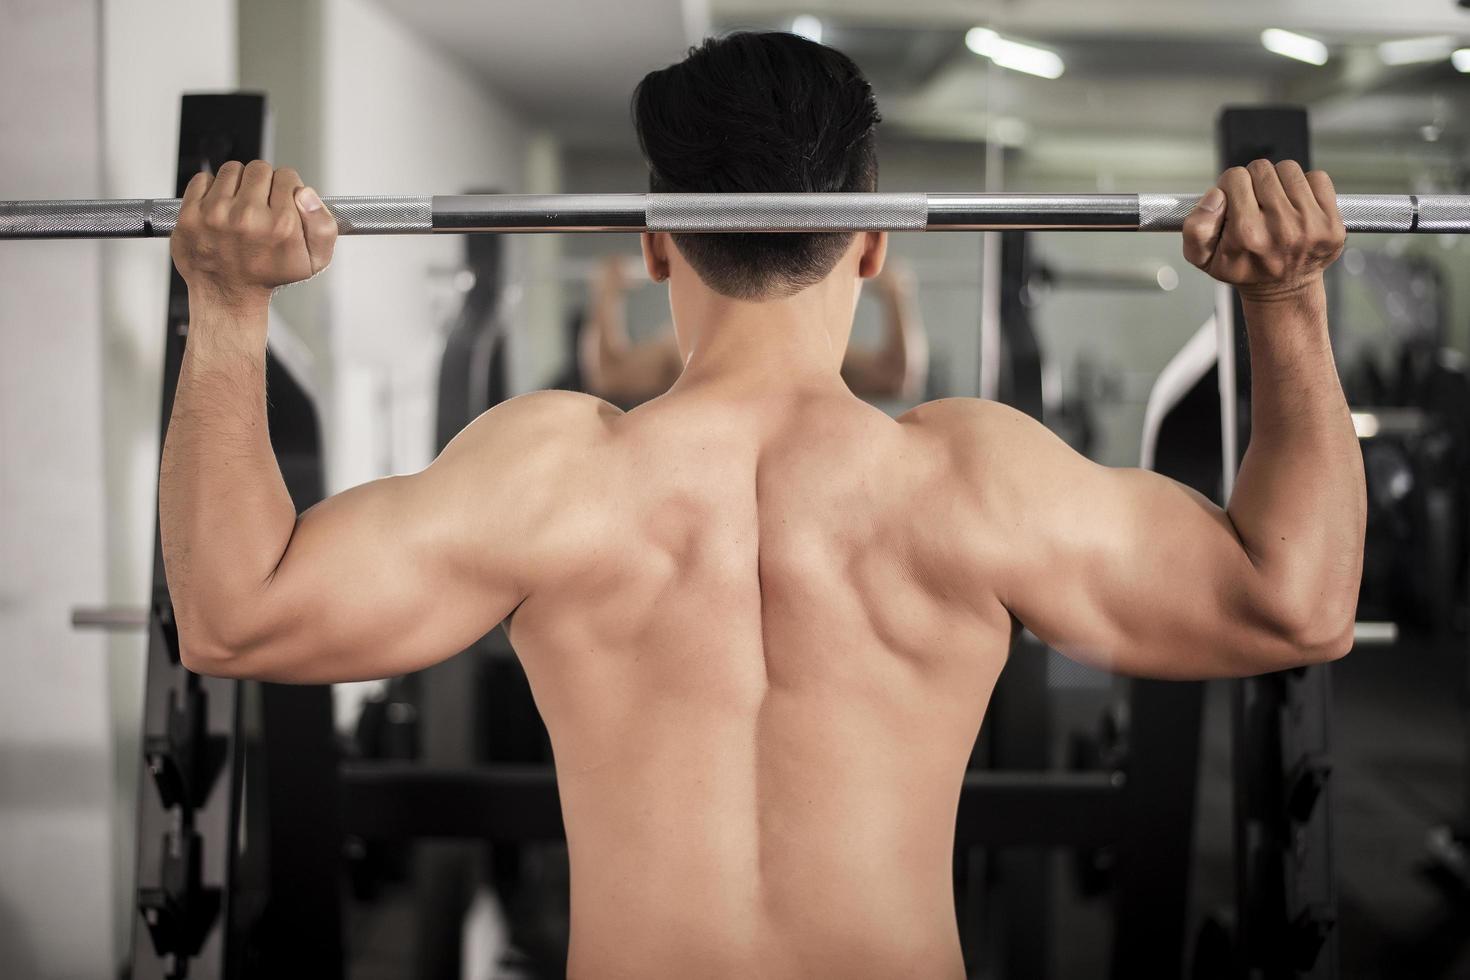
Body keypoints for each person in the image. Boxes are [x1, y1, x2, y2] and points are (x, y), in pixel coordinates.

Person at [160, 31, 1365, 980]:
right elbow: (1294, 604)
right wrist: (1290, 303)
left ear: (652, 241)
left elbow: (234, 617)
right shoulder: (972, 481)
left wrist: (227, 305)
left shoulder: (550, 476)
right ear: (875, 241)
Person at [579, 253, 927, 406]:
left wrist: (606, 296)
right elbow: (609, 375)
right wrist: (897, 297)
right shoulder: (812, 354)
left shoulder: (811, 352)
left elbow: (898, 377)